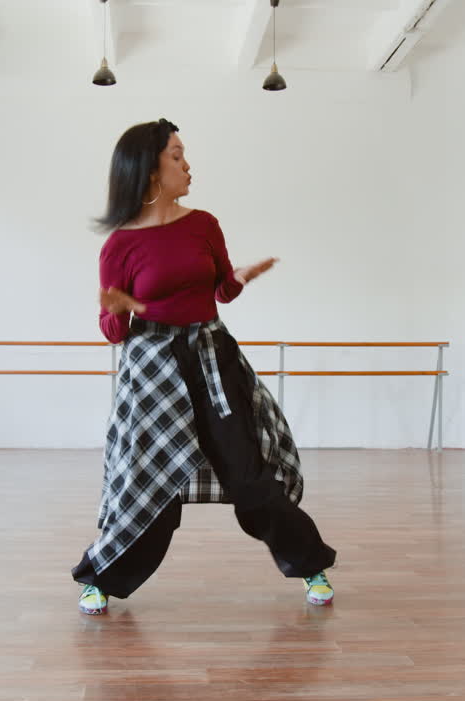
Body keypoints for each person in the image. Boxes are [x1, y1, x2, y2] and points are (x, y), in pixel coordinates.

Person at [71, 118, 337, 615]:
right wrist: (117, 308)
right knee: (150, 483)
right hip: (153, 374)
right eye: (176, 155)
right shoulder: (120, 246)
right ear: (150, 168)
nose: (187, 164)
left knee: (251, 474)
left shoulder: (204, 225)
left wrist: (236, 278)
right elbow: (113, 332)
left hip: (213, 361)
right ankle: (100, 577)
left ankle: (308, 563)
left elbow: (220, 291)